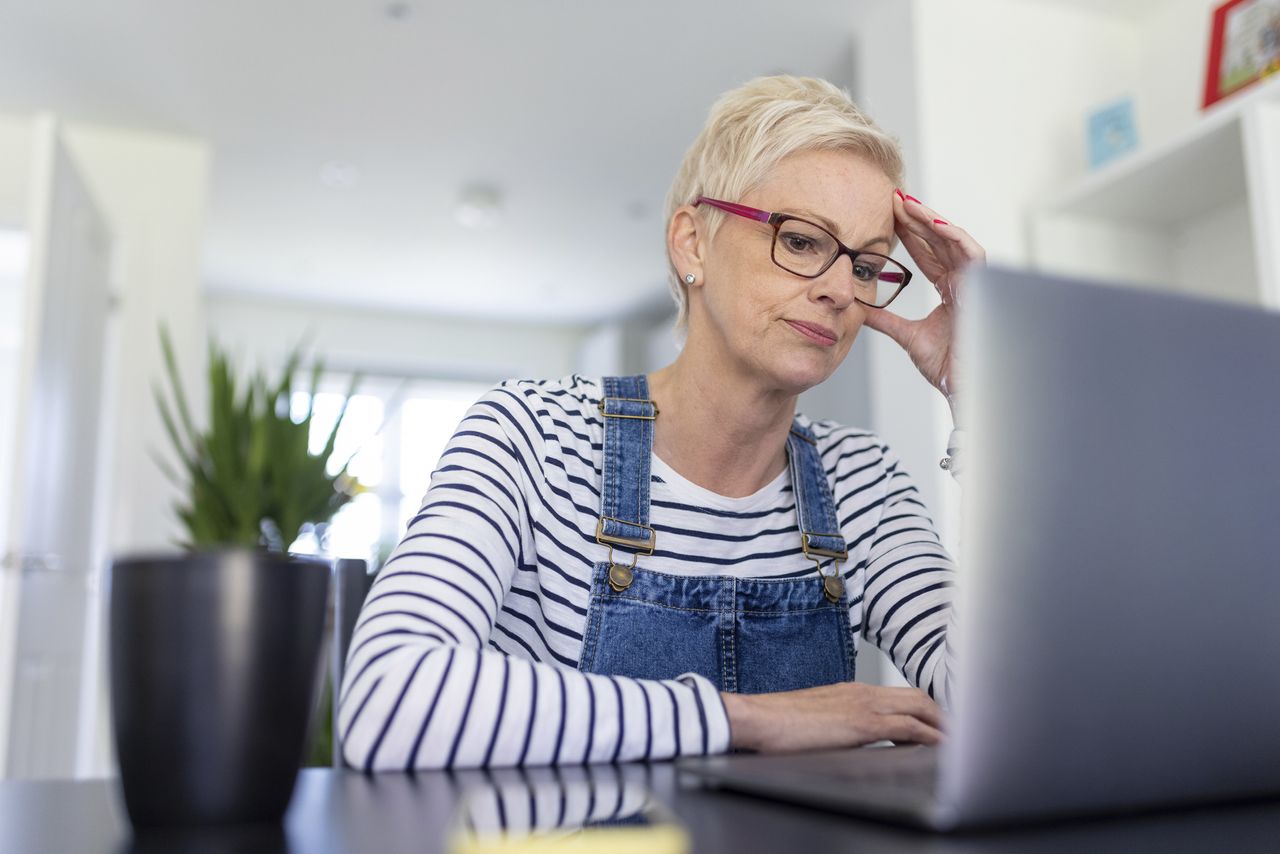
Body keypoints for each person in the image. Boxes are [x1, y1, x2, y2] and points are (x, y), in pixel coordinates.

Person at [338, 75, 985, 771]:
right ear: (692, 244)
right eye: (801, 242)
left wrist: (982, 394)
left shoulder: (864, 483)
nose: (836, 289)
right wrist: (748, 720)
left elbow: (1010, 704)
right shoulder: (528, 437)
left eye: (867, 265)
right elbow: (386, 700)